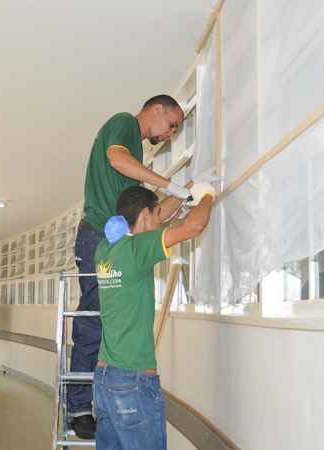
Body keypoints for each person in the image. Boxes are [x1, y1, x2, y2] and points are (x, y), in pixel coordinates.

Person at [70, 94, 190, 438]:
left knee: (107, 322)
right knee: (94, 320)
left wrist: (186, 195)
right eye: (172, 125)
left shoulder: (136, 161)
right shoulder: (124, 123)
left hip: (110, 241)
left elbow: (149, 217)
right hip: (97, 237)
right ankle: (78, 408)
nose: (170, 135)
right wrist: (168, 184)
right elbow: (117, 158)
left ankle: (90, 405)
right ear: (156, 110)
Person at [93, 185, 214, 450]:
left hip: (104, 379)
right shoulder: (139, 248)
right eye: (157, 217)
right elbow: (194, 227)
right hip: (132, 383)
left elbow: (155, 216)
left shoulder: (104, 250)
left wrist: (186, 192)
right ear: (145, 215)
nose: (162, 222)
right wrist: (208, 195)